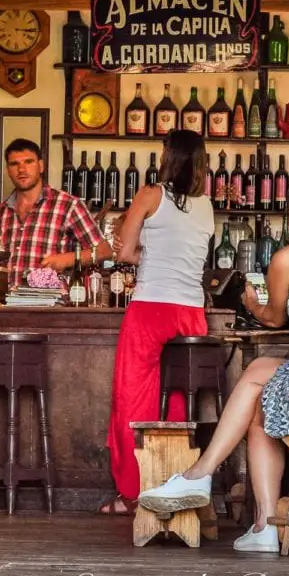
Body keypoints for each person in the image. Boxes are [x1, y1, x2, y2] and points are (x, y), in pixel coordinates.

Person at [136, 171, 289, 551]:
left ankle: (212, 483)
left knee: (258, 381)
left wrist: (250, 303)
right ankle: (254, 520)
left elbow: (274, 318)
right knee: (264, 389)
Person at [96, 129, 214, 515]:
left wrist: (137, 239)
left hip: (151, 309)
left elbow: (124, 253)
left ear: (168, 157)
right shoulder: (207, 205)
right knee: (179, 399)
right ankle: (176, 486)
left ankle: (132, 494)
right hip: (191, 312)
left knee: (132, 401)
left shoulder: (149, 194)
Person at [0, 139, 111, 289]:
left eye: (29, 162)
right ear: (7, 170)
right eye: (14, 164)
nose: (21, 169)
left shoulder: (68, 205)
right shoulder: (1, 212)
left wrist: (69, 259)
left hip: (50, 306)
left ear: (41, 166)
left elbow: (104, 251)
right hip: (4, 305)